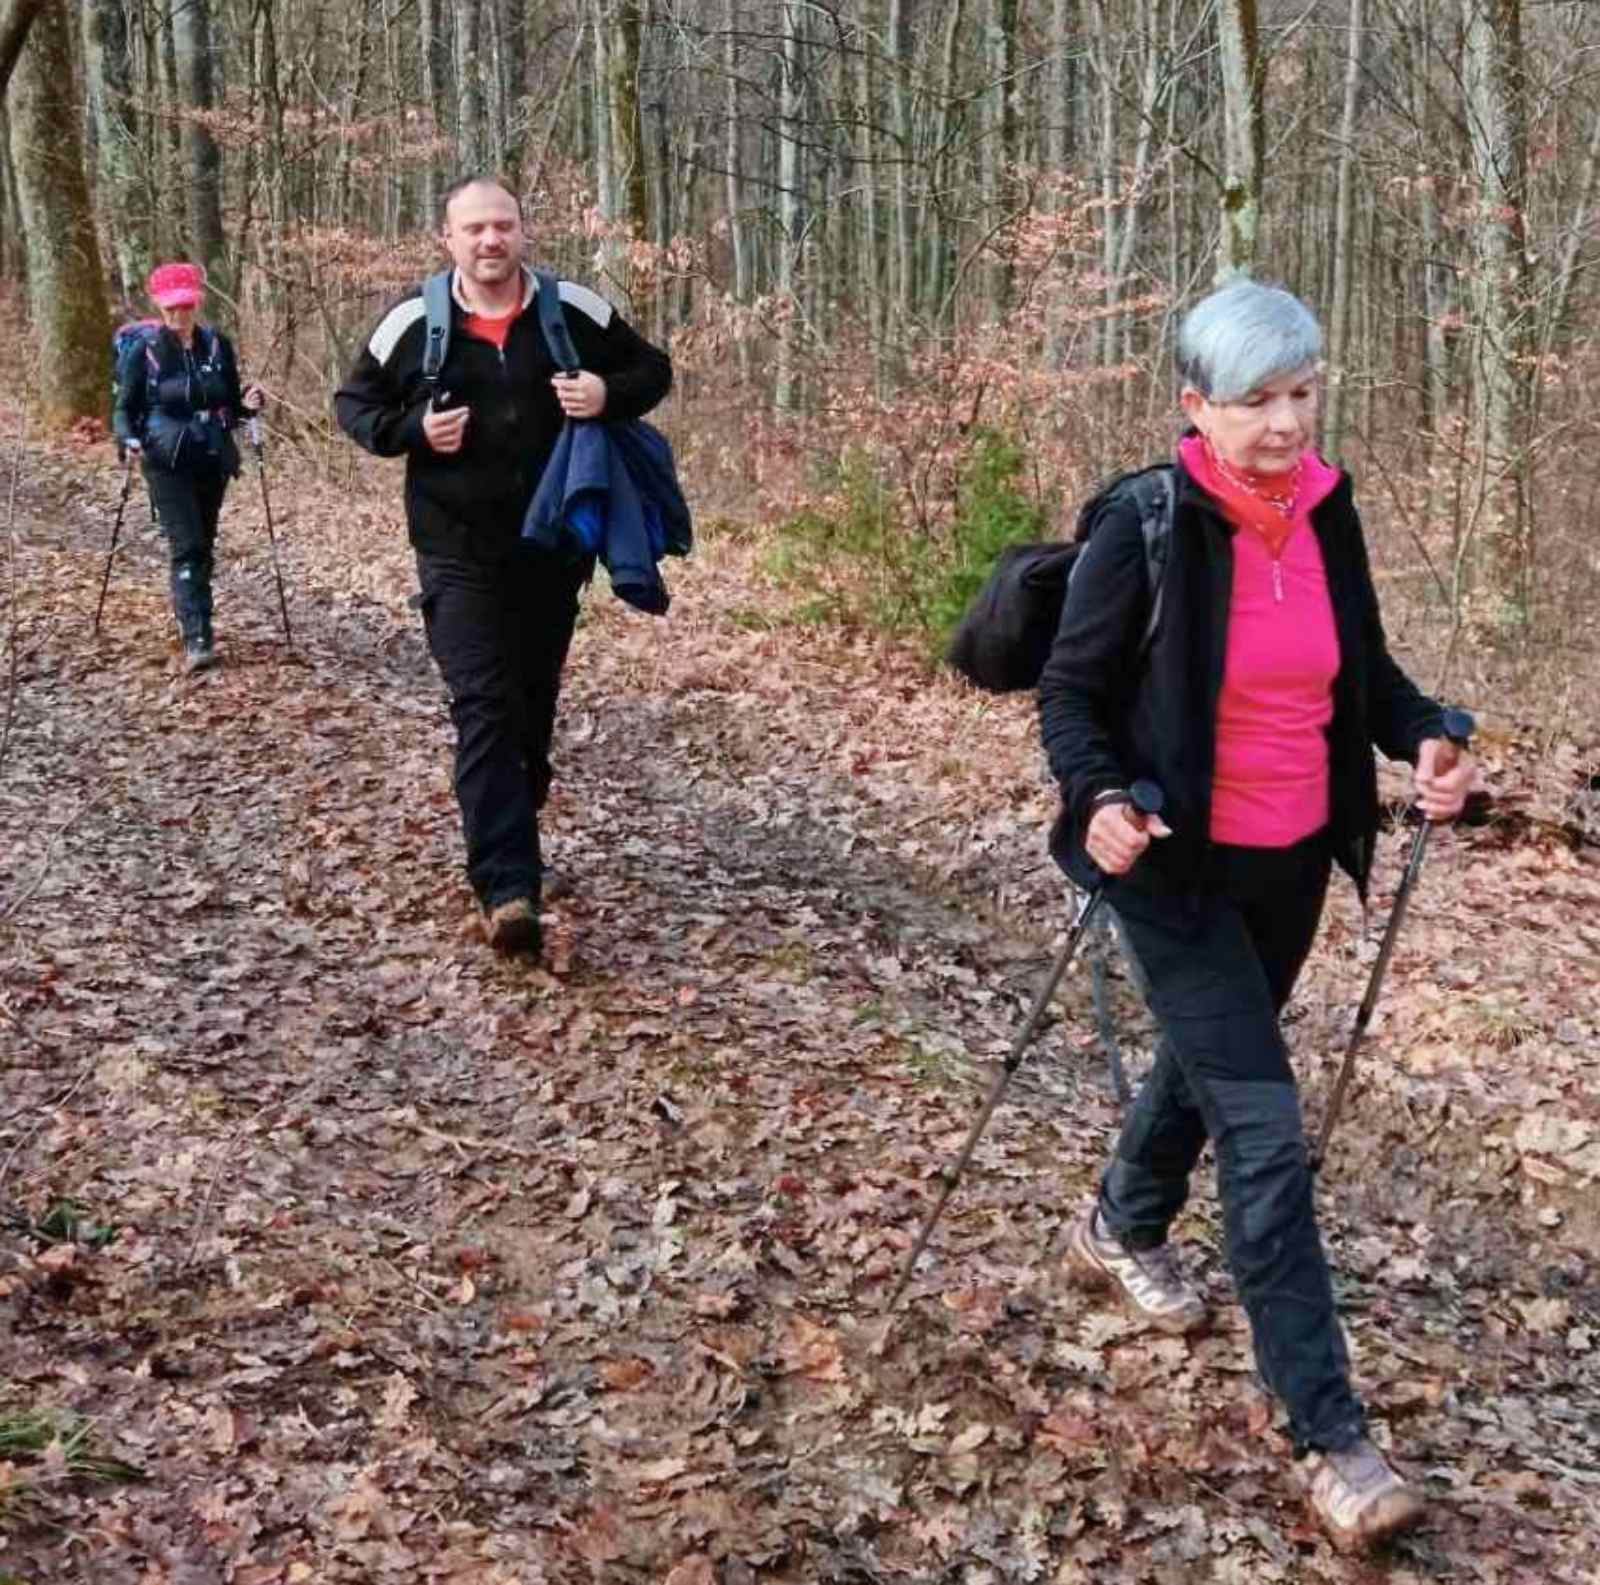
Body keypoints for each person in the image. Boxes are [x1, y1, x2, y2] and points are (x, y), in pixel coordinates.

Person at [1038, 279, 1473, 1551]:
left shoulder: (1328, 512)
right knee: (1265, 1130)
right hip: (1172, 867)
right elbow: (1069, 693)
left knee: (1208, 1063)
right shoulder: (1148, 522)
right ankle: (1331, 1439)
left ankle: (1119, 1220)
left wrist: (1427, 737)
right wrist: (1098, 795)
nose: (1285, 422)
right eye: (1256, 400)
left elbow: (1367, 677)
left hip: (1291, 863)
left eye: (1301, 393)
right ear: (1196, 405)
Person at [334, 176, 672, 955]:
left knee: (529, 706)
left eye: (503, 226)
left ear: (522, 232)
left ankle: (515, 810)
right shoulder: (414, 322)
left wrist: (604, 392)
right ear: (448, 239)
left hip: (552, 549)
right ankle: (508, 886)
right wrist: (413, 430)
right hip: (455, 550)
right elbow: (354, 404)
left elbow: (653, 370)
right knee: (482, 704)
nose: (491, 240)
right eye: (475, 228)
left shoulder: (572, 309)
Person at [112, 262, 265, 672]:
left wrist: (247, 405)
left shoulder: (217, 345)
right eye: (171, 308)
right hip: (165, 462)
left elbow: (230, 404)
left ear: (197, 302)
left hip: (212, 457)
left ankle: (197, 617)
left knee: (205, 544)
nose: (179, 315)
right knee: (188, 545)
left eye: (186, 306)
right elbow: (124, 409)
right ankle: (198, 637)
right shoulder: (143, 352)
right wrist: (127, 439)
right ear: (158, 306)